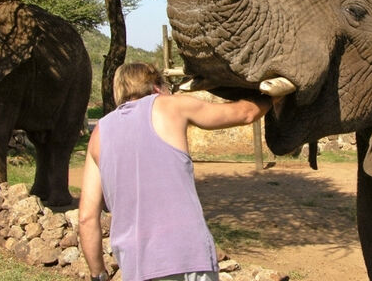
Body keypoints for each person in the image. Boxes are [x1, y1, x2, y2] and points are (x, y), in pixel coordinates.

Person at [79, 62, 272, 281]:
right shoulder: (171, 106)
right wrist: (274, 96)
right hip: (189, 257)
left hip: (136, 269)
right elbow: (245, 113)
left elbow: (86, 218)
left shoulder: (98, 135)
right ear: (155, 88)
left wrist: (99, 274)